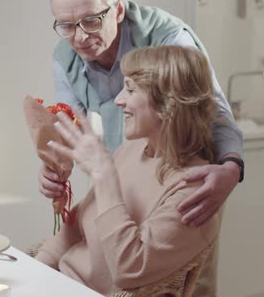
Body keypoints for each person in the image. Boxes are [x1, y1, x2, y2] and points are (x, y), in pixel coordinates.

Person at [40, 0, 243, 230]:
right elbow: (69, 131)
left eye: (91, 21)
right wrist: (55, 169)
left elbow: (214, 110)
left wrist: (232, 167)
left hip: (181, 180)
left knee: (182, 268)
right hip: (121, 177)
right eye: (66, 25)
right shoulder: (64, 58)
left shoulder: (169, 39)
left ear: (119, 10)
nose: (79, 37)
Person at [37, 45, 221, 296]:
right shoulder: (134, 147)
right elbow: (76, 225)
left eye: (131, 89)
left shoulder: (193, 188)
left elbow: (129, 270)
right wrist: (37, 270)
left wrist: (104, 176)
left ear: (169, 103)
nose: (118, 99)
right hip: (60, 282)